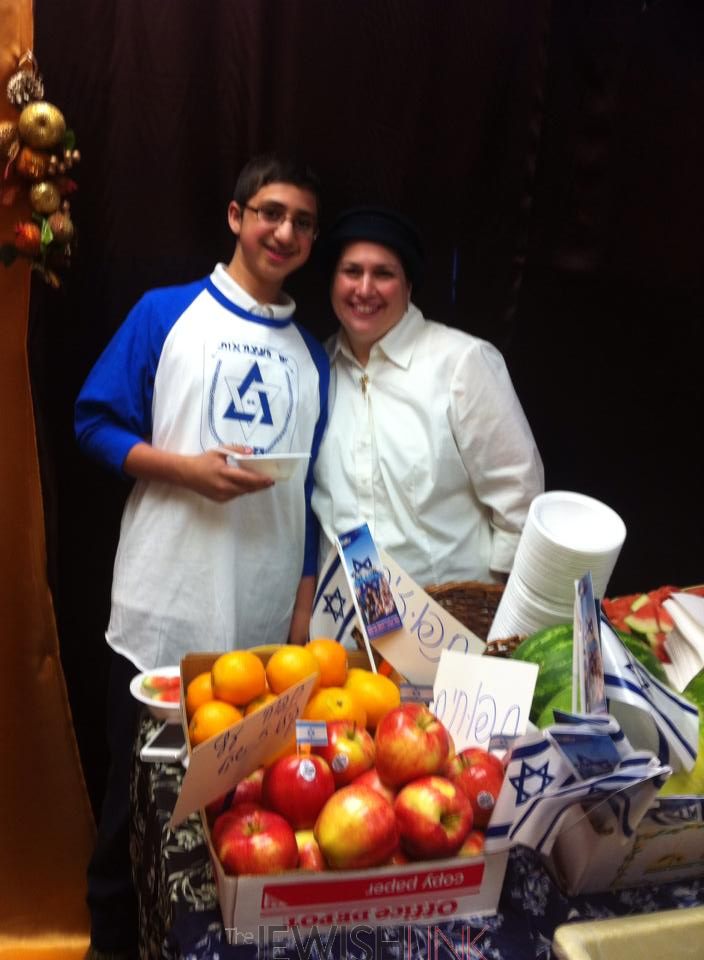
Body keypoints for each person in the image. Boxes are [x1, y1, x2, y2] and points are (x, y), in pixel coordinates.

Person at [75, 154, 328, 960]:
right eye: (270, 212)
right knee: (131, 814)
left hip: (260, 631)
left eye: (302, 222)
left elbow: (309, 491)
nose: (284, 232)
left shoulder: (313, 355)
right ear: (235, 216)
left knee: (240, 820)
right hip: (162, 612)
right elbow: (93, 423)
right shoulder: (166, 313)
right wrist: (185, 471)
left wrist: (300, 603)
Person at [312, 206, 544, 592]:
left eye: (383, 273)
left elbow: (517, 496)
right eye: (351, 271)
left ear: (408, 286)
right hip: (350, 611)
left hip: (453, 611)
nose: (364, 289)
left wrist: (501, 603)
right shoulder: (318, 368)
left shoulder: (460, 363)